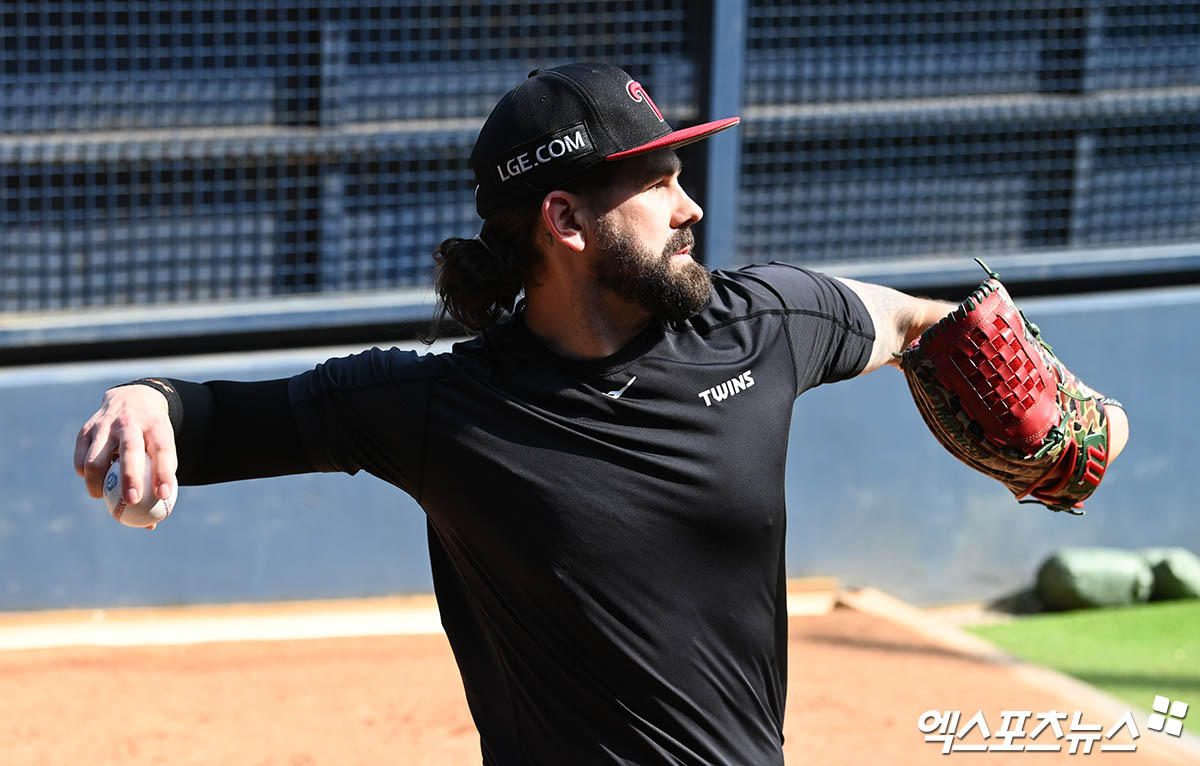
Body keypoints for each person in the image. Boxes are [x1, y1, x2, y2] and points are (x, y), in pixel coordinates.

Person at [74, 63, 1129, 765]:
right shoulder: (437, 405)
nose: (691, 207)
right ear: (565, 219)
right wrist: (143, 400)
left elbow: (914, 322)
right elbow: (214, 416)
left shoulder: (762, 325)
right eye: (656, 181)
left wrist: (1051, 399)